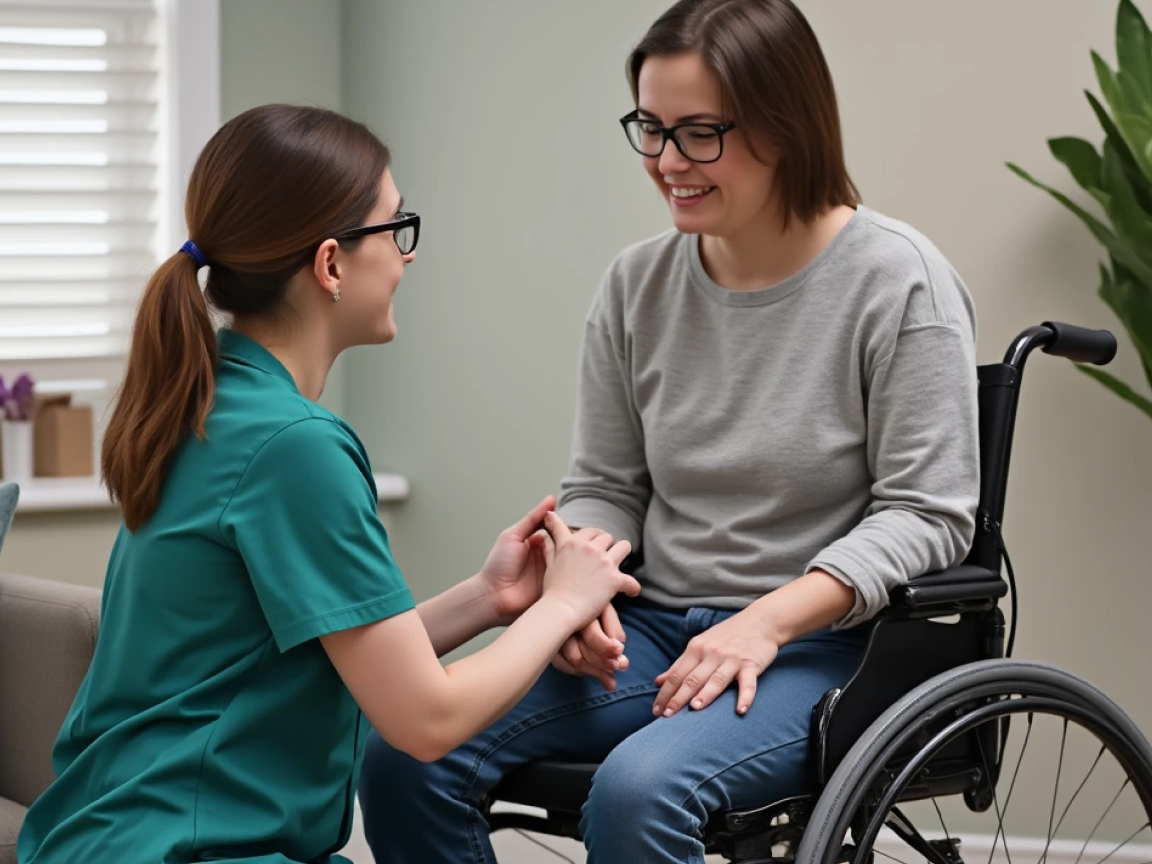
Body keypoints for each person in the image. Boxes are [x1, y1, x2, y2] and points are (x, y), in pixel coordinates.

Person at [358, 0, 979, 862]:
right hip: (650, 633)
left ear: (786, 127)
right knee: (405, 749)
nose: (665, 161)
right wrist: (581, 587)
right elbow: (607, 484)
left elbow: (930, 512)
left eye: (698, 133)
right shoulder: (636, 285)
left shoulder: (899, 283)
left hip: (823, 650)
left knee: (639, 792)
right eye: (649, 128)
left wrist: (765, 621)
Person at [16, 104, 639, 864]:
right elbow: (426, 718)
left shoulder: (210, 399)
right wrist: (566, 603)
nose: (407, 255)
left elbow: (308, 648)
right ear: (332, 264)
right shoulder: (295, 449)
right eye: (394, 226)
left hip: (109, 835)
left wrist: (490, 600)